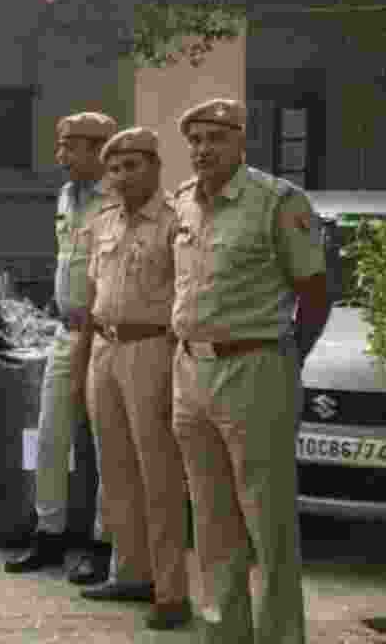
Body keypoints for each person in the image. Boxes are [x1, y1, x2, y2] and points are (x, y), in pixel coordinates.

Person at [169, 99, 328, 644]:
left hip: (256, 369)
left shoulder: (277, 203)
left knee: (269, 519)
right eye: (195, 139)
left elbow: (314, 294)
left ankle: (281, 635)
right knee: (211, 520)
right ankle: (224, 632)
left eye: (216, 137)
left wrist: (286, 360)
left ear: (241, 142)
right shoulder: (183, 203)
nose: (202, 149)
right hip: (191, 372)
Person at [70, 127, 190, 630]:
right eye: (114, 168)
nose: (121, 176)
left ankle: (171, 589)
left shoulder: (175, 220)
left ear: (156, 165)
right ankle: (131, 572)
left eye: (132, 165)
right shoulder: (104, 222)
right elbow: (91, 299)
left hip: (151, 349)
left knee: (157, 473)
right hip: (105, 347)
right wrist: (82, 363)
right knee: (114, 470)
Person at [6, 110, 116, 584]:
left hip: (106, 333)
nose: (60, 155)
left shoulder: (118, 200)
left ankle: (98, 543)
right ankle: (48, 534)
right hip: (66, 328)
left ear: (97, 150)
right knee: (50, 434)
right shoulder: (67, 196)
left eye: (70, 146)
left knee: (101, 443)